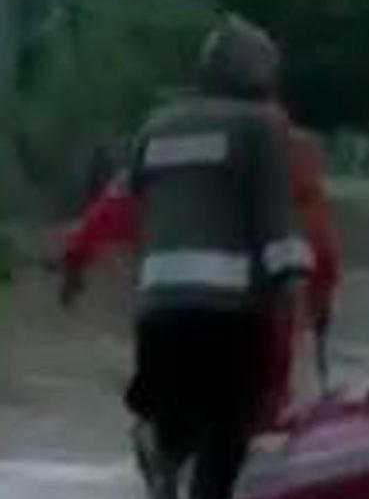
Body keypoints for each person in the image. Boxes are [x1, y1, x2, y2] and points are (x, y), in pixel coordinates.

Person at [123, 15, 311, 499]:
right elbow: (274, 214)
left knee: (174, 404)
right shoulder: (261, 126)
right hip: (228, 300)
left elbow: (134, 199)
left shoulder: (156, 125)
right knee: (229, 418)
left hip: (159, 295)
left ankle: (162, 474)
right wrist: (293, 280)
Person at [60, 116, 340, 432]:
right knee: (261, 384)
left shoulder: (161, 178)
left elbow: (95, 224)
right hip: (243, 313)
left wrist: (73, 271)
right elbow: (321, 257)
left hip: (175, 309)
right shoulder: (284, 187)